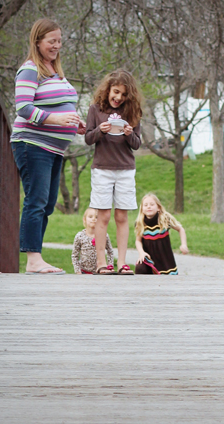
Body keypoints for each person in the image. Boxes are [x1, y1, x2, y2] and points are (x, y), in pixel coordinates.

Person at [11, 18, 86, 275]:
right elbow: (23, 108)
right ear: (37, 42)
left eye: (59, 41)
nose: (56, 46)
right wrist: (56, 119)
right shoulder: (30, 69)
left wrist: (75, 124)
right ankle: (33, 259)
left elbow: (60, 104)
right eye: (51, 41)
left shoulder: (54, 70)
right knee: (36, 199)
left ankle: (36, 256)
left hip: (53, 148)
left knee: (49, 203)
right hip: (32, 144)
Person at [85, 70, 143, 275]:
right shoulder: (95, 110)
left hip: (125, 170)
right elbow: (88, 138)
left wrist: (128, 135)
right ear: (108, 89)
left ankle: (121, 263)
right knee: (103, 216)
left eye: (123, 94)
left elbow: (136, 144)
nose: (118, 97)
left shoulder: (133, 113)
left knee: (121, 216)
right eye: (116, 92)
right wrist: (100, 129)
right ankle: (101, 262)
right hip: (102, 169)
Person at [134, 193, 188, 275]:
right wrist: (141, 252)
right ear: (142, 209)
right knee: (140, 267)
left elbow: (180, 229)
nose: (149, 206)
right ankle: (143, 287)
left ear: (158, 208)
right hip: (149, 259)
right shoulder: (140, 223)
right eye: (145, 205)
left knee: (168, 278)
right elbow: (138, 241)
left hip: (164, 258)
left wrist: (183, 244)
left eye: (152, 204)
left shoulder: (165, 219)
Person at [72, 208, 114, 274]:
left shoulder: (104, 236)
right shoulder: (80, 236)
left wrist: (110, 266)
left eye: (96, 217)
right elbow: (75, 255)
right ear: (84, 219)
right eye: (90, 217)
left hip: (100, 271)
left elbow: (110, 251)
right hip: (84, 272)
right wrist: (78, 271)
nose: (93, 219)